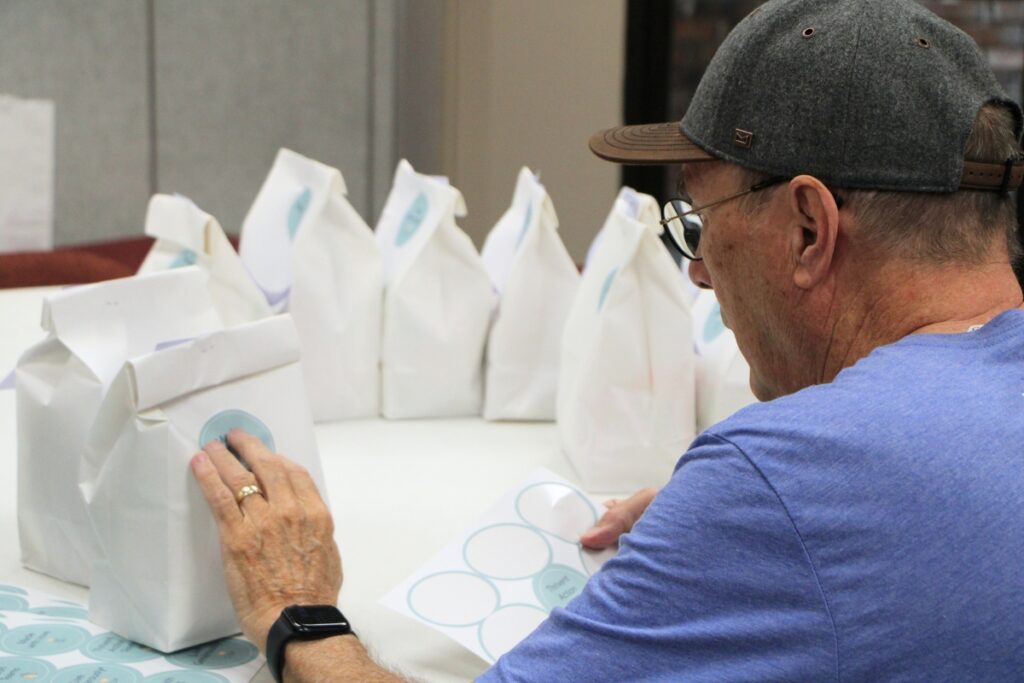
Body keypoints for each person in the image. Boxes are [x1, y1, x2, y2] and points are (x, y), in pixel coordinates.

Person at [191, 0, 1024, 680]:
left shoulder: (789, 477)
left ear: (809, 228)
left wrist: (296, 610)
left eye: (700, 222)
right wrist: (757, 541)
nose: (698, 273)